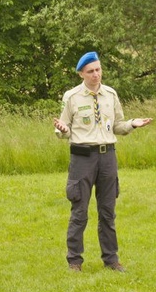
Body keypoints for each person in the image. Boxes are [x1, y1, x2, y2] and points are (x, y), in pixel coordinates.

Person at [53, 52, 152, 272]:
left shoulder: (110, 94)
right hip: (83, 157)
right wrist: (62, 130)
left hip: (108, 156)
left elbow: (117, 126)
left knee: (108, 211)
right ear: (82, 74)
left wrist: (132, 124)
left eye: (98, 69)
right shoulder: (72, 97)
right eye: (90, 71)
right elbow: (63, 128)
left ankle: (111, 259)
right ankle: (74, 261)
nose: (96, 74)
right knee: (80, 211)